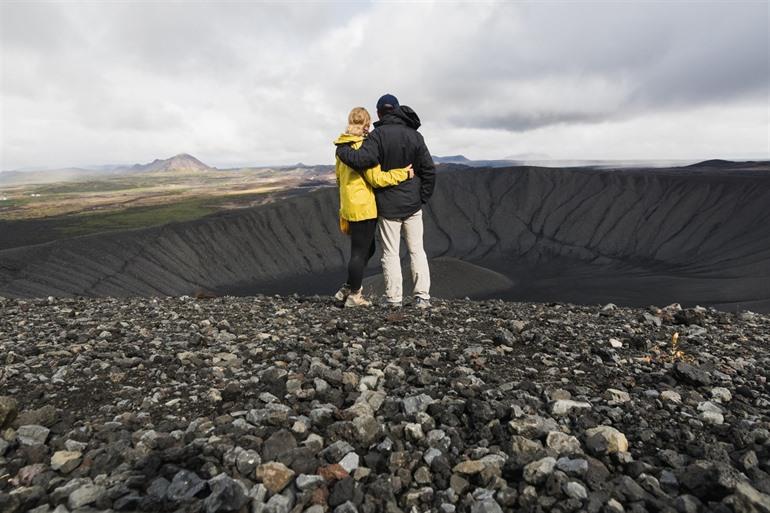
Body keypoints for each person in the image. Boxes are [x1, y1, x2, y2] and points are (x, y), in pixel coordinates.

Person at [336, 94, 436, 308]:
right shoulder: (415, 136)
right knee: (417, 250)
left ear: (380, 113)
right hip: (412, 205)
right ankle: (422, 298)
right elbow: (428, 170)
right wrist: (421, 197)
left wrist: (342, 149)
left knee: (390, 253)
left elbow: (362, 160)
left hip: (388, 206)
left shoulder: (376, 137)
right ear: (398, 110)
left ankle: (394, 299)